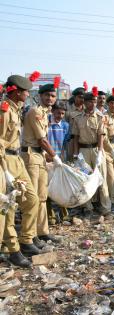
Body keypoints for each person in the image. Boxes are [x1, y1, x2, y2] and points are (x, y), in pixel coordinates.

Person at [0, 75, 40, 266]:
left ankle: (26, 239)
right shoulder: (5, 110)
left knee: (31, 199)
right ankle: (13, 249)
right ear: (16, 92)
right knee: (8, 207)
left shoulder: (16, 109)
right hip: (4, 160)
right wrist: (5, 171)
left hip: (17, 159)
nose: (28, 94)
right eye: (25, 91)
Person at [22, 83, 65, 248]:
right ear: (40, 96)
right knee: (32, 199)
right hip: (31, 156)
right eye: (47, 95)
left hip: (39, 155)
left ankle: (42, 232)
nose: (50, 98)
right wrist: (55, 156)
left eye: (53, 96)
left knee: (41, 197)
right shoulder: (35, 112)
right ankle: (30, 236)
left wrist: (47, 155)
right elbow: (42, 139)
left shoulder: (45, 113)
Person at [72, 91, 112, 215]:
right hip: (83, 151)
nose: (93, 104)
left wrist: (100, 152)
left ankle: (105, 208)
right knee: (84, 179)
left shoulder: (100, 117)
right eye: (90, 101)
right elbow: (75, 138)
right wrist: (75, 154)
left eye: (94, 101)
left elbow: (101, 135)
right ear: (84, 102)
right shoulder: (77, 118)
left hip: (96, 150)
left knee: (102, 178)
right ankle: (87, 207)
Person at [46, 103, 71, 224]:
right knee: (47, 187)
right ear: (52, 112)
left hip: (59, 159)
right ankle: (50, 215)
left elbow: (64, 144)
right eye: (58, 113)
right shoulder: (46, 123)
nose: (60, 116)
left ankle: (64, 214)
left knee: (61, 187)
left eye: (62, 113)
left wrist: (60, 157)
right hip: (46, 159)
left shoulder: (65, 125)